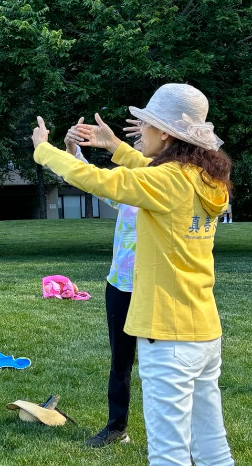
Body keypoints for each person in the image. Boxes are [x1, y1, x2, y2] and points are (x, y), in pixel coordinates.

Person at [33, 83, 234, 466]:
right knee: (212, 448)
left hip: (168, 335)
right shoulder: (205, 177)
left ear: (165, 133)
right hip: (204, 331)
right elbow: (151, 171)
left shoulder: (170, 180)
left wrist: (45, 150)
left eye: (146, 124)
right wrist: (114, 146)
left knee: (168, 454)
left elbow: (97, 181)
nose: (140, 130)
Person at [64, 117, 140, 447]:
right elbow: (89, 179)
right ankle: (116, 427)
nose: (136, 151)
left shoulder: (172, 188)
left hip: (156, 289)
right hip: (120, 286)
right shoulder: (124, 187)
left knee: (163, 368)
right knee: (120, 362)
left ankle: (177, 437)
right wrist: (71, 149)